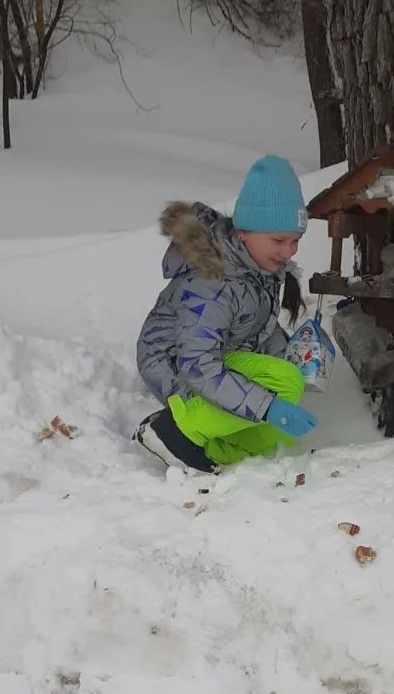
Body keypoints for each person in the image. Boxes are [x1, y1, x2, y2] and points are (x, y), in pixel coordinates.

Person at [133, 155, 318, 472]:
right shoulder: (214, 283)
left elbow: (258, 326)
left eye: (295, 241)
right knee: (285, 383)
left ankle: (205, 447)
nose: (288, 252)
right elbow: (197, 362)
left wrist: (292, 352)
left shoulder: (258, 267)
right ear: (244, 232)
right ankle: (174, 429)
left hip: (217, 357)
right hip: (177, 364)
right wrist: (265, 405)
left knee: (276, 437)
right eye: (279, 240)